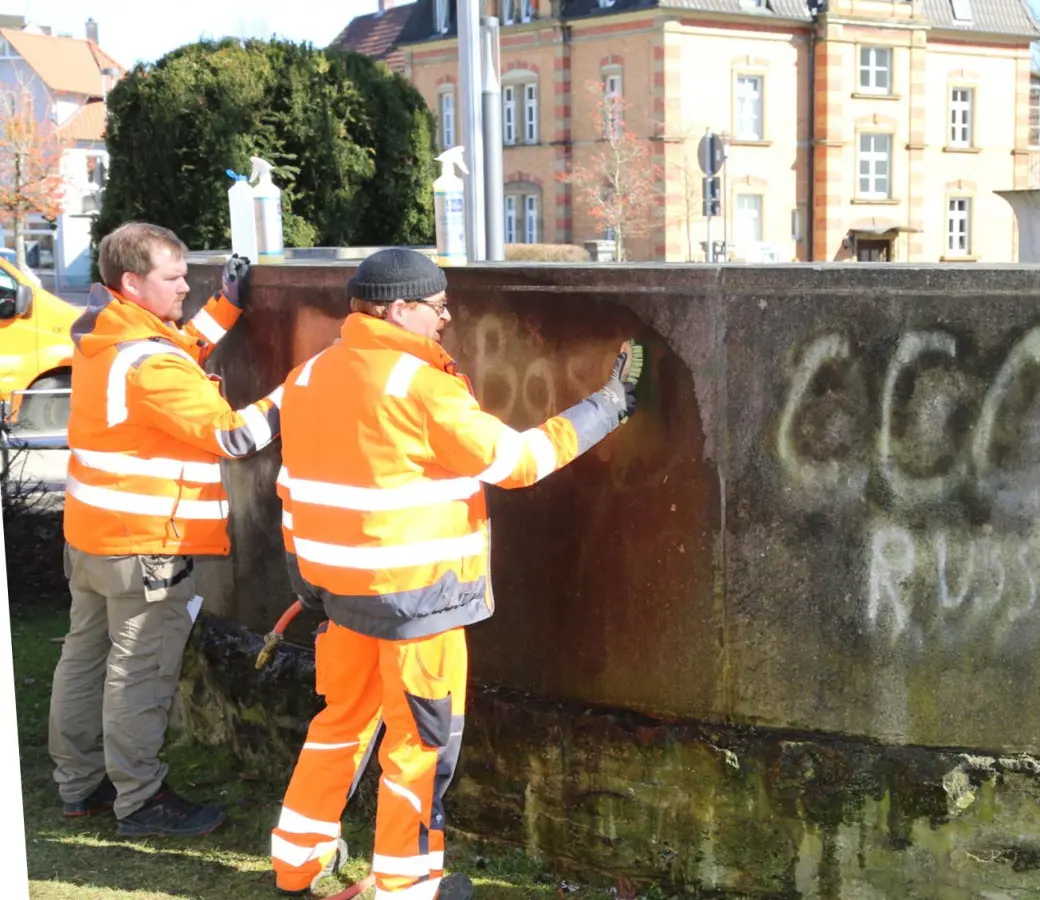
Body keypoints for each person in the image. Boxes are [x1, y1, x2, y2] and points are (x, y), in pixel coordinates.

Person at [268, 248, 644, 900]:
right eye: (436, 305)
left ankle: (295, 867)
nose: (446, 318)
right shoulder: (420, 387)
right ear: (397, 308)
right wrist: (608, 405)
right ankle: (409, 889)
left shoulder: (308, 377)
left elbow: (293, 486)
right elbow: (518, 462)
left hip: (343, 595)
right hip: (420, 601)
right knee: (420, 745)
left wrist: (306, 573)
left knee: (339, 725)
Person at [49, 222, 282, 838]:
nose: (187, 286)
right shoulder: (150, 362)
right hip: (146, 547)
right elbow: (232, 434)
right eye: (174, 277)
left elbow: (177, 351)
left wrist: (225, 304)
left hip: (94, 538)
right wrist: (312, 389)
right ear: (132, 282)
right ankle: (141, 800)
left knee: (86, 658)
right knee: (140, 670)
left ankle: (81, 785)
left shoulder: (110, 334)